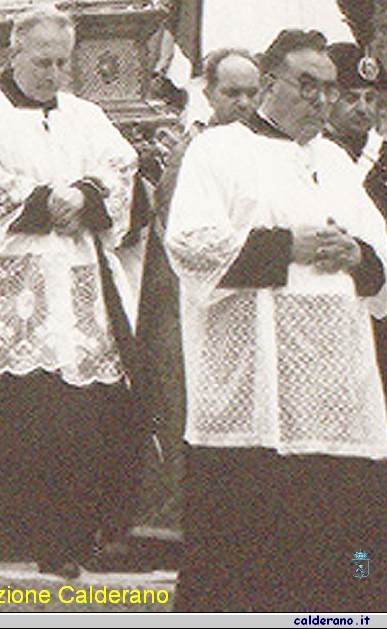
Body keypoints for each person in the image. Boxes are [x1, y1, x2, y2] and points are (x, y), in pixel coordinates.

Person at [165, 29, 387, 613]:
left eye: (329, 88)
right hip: (254, 403)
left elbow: (383, 266)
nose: (322, 100)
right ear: (269, 85)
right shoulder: (218, 151)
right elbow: (190, 247)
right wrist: (285, 248)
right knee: (250, 562)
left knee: (352, 553)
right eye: (307, 85)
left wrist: (360, 258)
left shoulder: (337, 162)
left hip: (336, 399)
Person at [0, 6, 140, 577]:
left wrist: (88, 194)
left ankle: (78, 538)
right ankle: (18, 537)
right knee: (26, 418)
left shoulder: (86, 115)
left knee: (81, 417)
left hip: (76, 290)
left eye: (61, 62)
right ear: (13, 55)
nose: (53, 73)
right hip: (10, 296)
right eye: (42, 60)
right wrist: (49, 200)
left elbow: (121, 166)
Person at [134, 50, 261, 548]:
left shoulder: (264, 148)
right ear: (208, 95)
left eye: (252, 93)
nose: (244, 103)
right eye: (233, 93)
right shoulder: (194, 152)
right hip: (190, 302)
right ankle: (176, 522)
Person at [326, 43, 387, 563]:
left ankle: (376, 537)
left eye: (370, 98)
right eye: (350, 97)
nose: (362, 109)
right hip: (334, 310)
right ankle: (340, 536)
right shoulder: (312, 158)